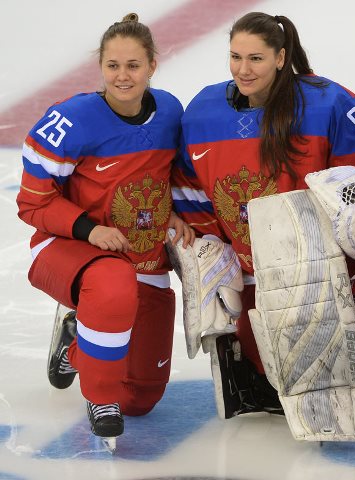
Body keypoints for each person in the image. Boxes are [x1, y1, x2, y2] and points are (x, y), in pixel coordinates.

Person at [172, 12, 355, 416]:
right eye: (235, 57)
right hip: (248, 263)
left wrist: (349, 260)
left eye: (256, 59)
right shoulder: (202, 113)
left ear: (281, 57)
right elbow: (188, 187)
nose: (243, 70)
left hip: (322, 263)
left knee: (313, 367)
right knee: (271, 369)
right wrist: (212, 247)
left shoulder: (330, 103)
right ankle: (248, 363)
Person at [16, 13, 194, 449]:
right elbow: (32, 202)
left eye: (133, 65)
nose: (122, 76)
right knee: (112, 285)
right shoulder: (73, 119)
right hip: (68, 248)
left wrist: (172, 210)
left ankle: (78, 342)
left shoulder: (169, 110)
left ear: (153, 64)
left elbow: (169, 171)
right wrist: (89, 230)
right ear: (101, 67)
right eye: (113, 65)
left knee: (142, 397)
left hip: (143, 251)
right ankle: (100, 400)